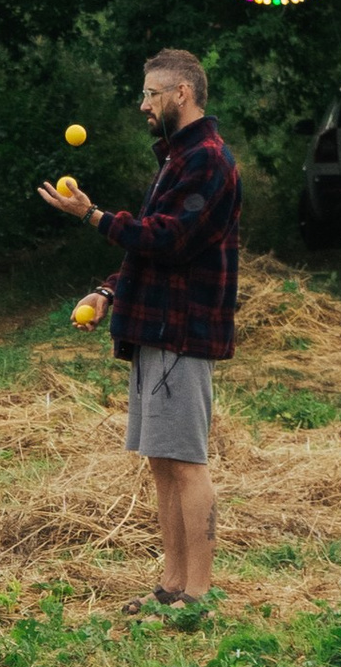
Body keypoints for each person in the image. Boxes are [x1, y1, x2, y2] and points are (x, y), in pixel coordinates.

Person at [38, 47, 241, 613]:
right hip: (155, 325)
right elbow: (149, 244)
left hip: (183, 331)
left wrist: (93, 215)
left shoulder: (210, 160)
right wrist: (108, 292)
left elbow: (171, 239)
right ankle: (171, 586)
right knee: (161, 458)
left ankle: (198, 592)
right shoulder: (178, 159)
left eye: (152, 93)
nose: (143, 103)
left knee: (186, 460)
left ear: (182, 94)